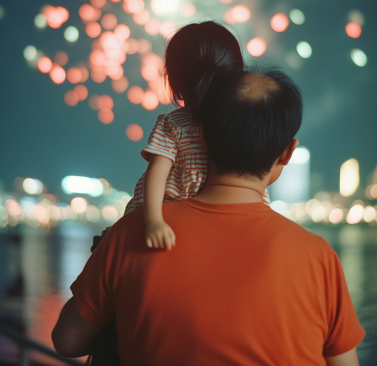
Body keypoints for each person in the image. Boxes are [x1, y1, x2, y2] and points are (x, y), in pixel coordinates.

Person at [52, 68, 365, 366]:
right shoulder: (317, 256)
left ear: (201, 136)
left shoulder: (132, 231)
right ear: (287, 152)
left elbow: (67, 341)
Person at [124, 20, 269, 250]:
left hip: (170, 212)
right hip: (210, 216)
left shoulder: (172, 123)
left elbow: (156, 173)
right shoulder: (241, 123)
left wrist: (154, 221)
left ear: (174, 80)